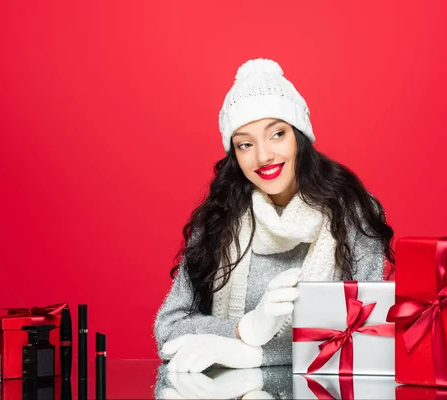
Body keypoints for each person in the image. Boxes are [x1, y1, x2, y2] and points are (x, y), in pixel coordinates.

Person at [154, 58, 395, 373]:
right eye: (245, 144)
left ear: (299, 136)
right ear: (234, 155)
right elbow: (169, 327)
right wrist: (245, 329)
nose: (263, 155)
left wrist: (254, 354)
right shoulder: (219, 218)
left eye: (277, 134)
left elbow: (365, 335)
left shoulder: (352, 211)